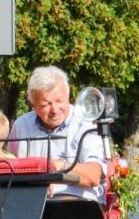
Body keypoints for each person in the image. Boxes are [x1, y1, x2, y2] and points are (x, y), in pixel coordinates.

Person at [7, 66, 108, 200]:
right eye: (45, 105)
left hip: (77, 204)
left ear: (68, 96)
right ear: (33, 105)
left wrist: (59, 166)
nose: (54, 110)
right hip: (31, 203)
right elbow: (9, 171)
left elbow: (94, 175)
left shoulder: (85, 123)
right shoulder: (21, 126)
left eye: (59, 101)